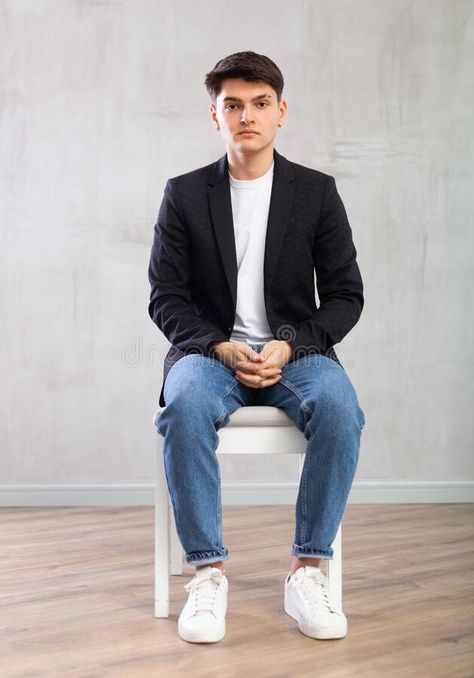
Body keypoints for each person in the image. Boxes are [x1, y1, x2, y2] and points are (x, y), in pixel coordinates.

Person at [148, 51, 366, 644]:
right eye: (233, 105)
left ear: (281, 111)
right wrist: (216, 345)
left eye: (260, 104)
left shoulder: (317, 193)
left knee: (342, 408)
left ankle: (306, 570)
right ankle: (208, 573)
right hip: (208, 353)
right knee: (186, 405)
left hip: (297, 354)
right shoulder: (185, 194)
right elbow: (165, 296)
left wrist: (290, 346)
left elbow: (346, 295)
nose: (247, 115)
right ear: (214, 116)